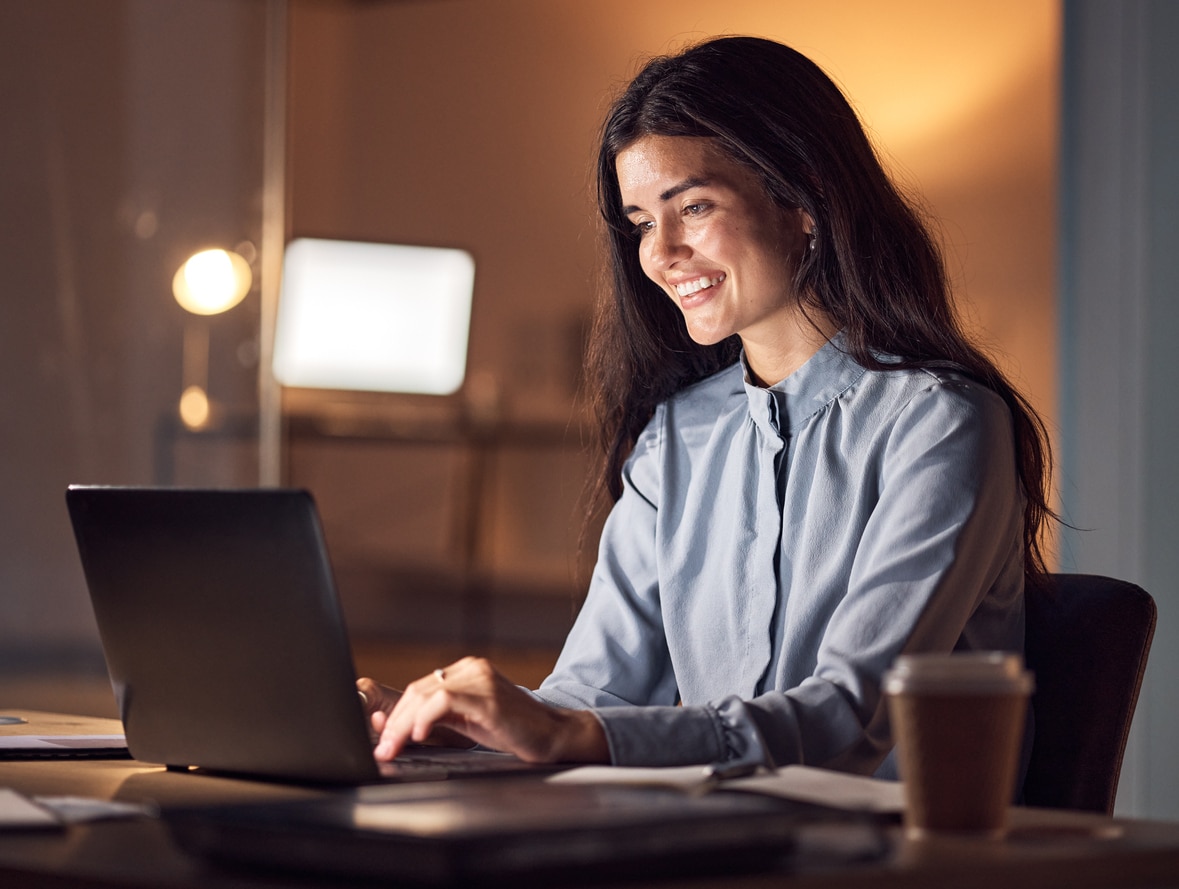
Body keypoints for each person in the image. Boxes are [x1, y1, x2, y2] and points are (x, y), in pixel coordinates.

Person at [357, 35, 1055, 778]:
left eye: (691, 206)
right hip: (714, 834)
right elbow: (594, 693)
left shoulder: (941, 422)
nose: (659, 253)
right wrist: (448, 722)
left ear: (804, 201)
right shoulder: (675, 435)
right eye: (637, 223)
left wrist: (564, 732)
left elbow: (849, 716)